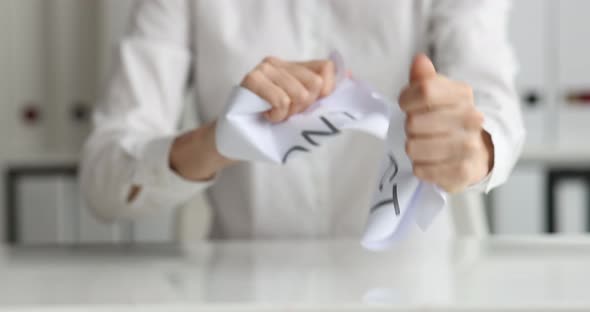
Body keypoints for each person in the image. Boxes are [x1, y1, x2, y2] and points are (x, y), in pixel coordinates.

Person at [80, 0, 524, 240]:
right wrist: (216, 143)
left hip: (416, 285)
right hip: (244, 289)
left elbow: (493, 102)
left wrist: (476, 146)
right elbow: (104, 183)